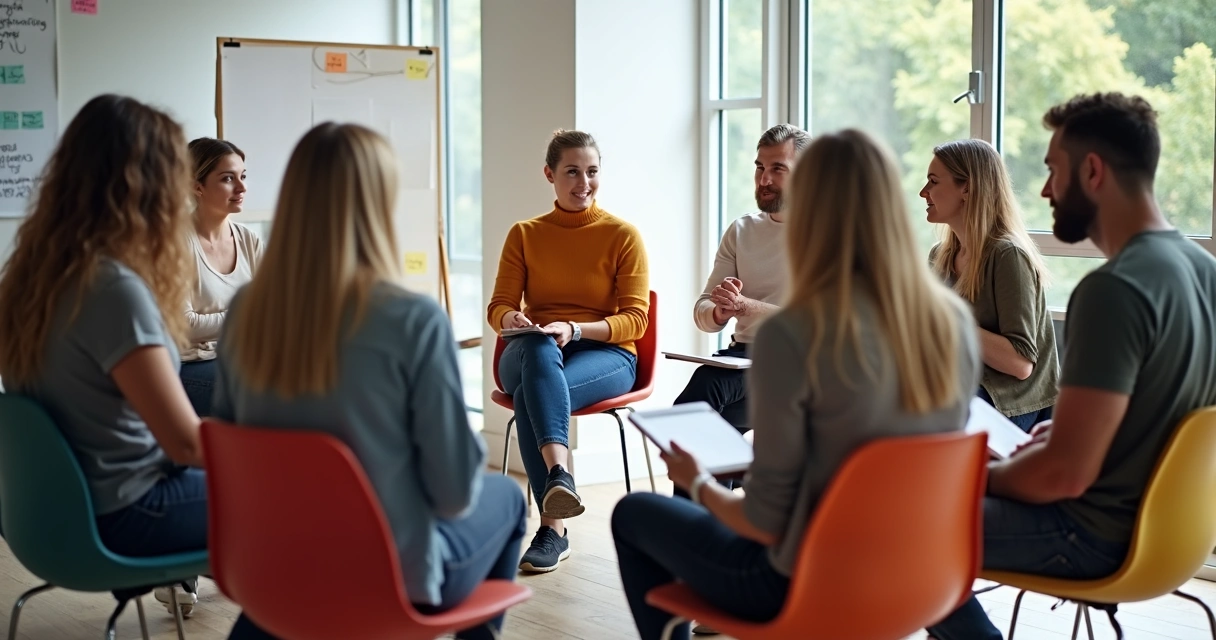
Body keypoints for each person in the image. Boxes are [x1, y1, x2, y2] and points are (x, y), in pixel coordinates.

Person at [612, 128, 981, 640]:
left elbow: (764, 521)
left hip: (809, 583)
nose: (767, 181)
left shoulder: (792, 336)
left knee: (634, 512)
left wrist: (697, 482)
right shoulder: (952, 320)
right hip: (926, 575)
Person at [214, 123, 525, 640]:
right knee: (508, 498)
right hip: (387, 579)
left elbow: (229, 451)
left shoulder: (246, 312)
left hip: (271, 570)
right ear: (380, 205)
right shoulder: (412, 320)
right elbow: (454, 495)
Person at [927, 93, 1216, 639]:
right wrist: (1063, 437)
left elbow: (1062, 475)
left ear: (1092, 171)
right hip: (1174, 535)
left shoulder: (1114, 290)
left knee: (902, 521)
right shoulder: (1204, 272)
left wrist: (972, 480)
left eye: (1052, 171)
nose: (1044, 191)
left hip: (1093, 532)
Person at [0, 95, 207, 613]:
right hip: (126, 511)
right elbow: (185, 443)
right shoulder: (112, 290)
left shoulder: (29, 281)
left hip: (48, 516)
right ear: (147, 187)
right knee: (293, 497)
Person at [487, 129, 650, 574]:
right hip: (533, 350)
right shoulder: (525, 234)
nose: (584, 183)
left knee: (530, 396)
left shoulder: (622, 235)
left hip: (606, 354)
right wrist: (512, 319)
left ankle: (553, 528)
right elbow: (499, 307)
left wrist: (575, 329)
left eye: (592, 172)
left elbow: (636, 320)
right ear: (550, 175)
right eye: (572, 172)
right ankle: (560, 477)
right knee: (539, 351)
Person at [674, 124, 811, 434]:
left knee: (705, 391)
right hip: (745, 358)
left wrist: (748, 306)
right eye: (760, 167)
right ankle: (710, 465)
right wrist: (719, 311)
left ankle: (699, 462)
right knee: (704, 419)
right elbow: (703, 309)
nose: (764, 180)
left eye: (778, 169)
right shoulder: (742, 230)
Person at [922, 138, 1059, 431]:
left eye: (933, 181)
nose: (924, 192)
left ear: (967, 189)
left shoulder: (1008, 255)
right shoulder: (939, 256)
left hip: (1013, 402)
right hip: (962, 384)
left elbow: (1020, 363)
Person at [179, 138, 262, 417]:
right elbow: (185, 326)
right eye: (228, 178)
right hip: (194, 365)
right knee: (266, 393)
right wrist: (247, 315)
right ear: (197, 186)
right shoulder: (174, 243)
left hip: (242, 355)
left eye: (243, 176)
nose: (242, 188)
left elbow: (274, 306)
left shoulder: (249, 239)